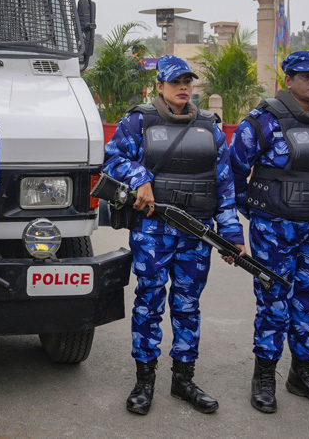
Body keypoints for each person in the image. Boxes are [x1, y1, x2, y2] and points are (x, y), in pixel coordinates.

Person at [103, 56, 243, 416]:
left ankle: (183, 379)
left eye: (188, 81)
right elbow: (113, 159)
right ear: (160, 86)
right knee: (149, 302)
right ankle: (144, 380)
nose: (183, 87)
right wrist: (140, 177)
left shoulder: (209, 126)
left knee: (187, 305)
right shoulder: (139, 120)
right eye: (176, 81)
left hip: (196, 233)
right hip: (154, 230)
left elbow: (224, 183)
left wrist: (231, 233)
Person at [230, 50, 309, 414]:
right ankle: (264, 375)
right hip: (276, 229)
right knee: (273, 304)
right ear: (288, 79)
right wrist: (252, 212)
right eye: (305, 75)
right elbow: (233, 171)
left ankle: (303, 374)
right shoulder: (263, 120)